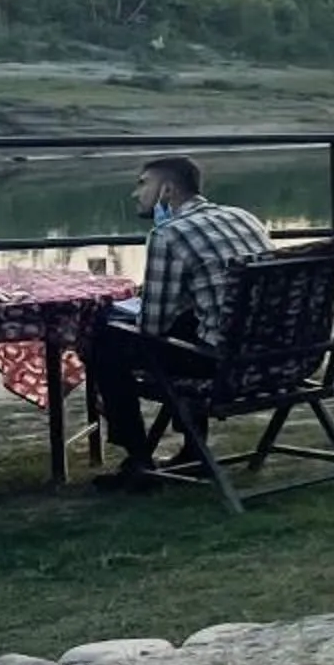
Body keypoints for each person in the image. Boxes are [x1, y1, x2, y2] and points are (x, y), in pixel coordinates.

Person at [82, 154, 274, 490]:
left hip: (224, 365)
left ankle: (139, 460)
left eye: (143, 184)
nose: (135, 193)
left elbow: (151, 327)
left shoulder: (169, 234)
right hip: (274, 355)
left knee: (105, 341)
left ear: (167, 190)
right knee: (188, 325)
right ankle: (192, 450)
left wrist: (120, 315)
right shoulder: (243, 217)